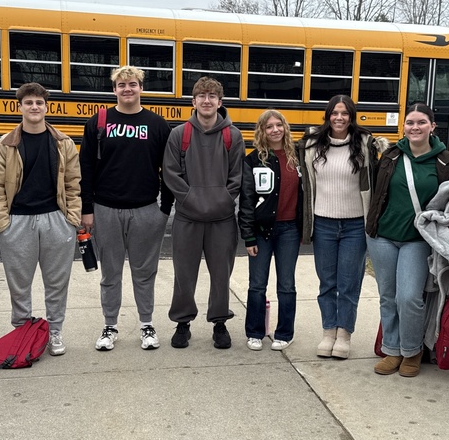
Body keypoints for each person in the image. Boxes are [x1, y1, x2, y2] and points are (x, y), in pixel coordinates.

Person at [366, 103, 449, 378]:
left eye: (421, 122)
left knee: (409, 297)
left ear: (432, 126)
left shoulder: (446, 161)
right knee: (388, 296)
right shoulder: (391, 156)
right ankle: (392, 349)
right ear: (404, 126)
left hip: (418, 240)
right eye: (410, 122)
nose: (415, 127)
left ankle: (412, 351)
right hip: (383, 237)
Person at [80, 66, 173, 351]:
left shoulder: (157, 124)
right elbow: (86, 167)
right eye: (121, 85)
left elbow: (169, 168)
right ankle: (110, 325)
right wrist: (87, 208)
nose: (127, 89)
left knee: (144, 272)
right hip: (105, 208)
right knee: (110, 273)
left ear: (141, 88)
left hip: (146, 209)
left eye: (132, 84)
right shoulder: (98, 122)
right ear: (114, 90)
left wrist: (164, 208)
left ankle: (147, 324)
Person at [0, 82, 81, 357]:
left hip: (56, 219)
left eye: (39, 102)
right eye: (29, 102)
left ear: (46, 107)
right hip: (17, 221)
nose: (34, 107)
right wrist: (2, 224)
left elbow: (73, 183)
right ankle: (22, 330)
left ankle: (55, 330)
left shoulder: (63, 143)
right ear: (20, 107)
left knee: (57, 283)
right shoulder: (6, 144)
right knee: (19, 284)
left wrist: (71, 219)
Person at [299, 94, 387, 359]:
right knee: (327, 283)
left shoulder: (365, 144)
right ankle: (328, 332)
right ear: (328, 115)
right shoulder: (312, 144)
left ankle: (344, 334)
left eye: (344, 113)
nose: (339, 118)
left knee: (348, 283)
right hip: (323, 223)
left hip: (354, 225)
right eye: (334, 113)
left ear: (351, 117)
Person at [163, 76, 244, 349]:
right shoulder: (179, 134)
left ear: (220, 102)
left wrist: (221, 200)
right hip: (188, 218)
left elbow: (237, 177)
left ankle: (219, 322)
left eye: (212, 96)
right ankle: (182, 323)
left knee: (221, 275)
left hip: (222, 219)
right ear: (193, 101)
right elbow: (171, 174)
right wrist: (190, 199)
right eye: (202, 96)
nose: (206, 101)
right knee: (184, 275)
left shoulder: (232, 135)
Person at [239, 109, 303, 351]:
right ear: (262, 132)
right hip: (261, 230)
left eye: (279, 125)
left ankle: (285, 333)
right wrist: (248, 236)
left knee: (286, 284)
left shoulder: (298, 157)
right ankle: (254, 332)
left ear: (285, 127)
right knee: (257, 284)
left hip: (289, 230)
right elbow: (246, 200)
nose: (275, 130)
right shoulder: (253, 160)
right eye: (269, 126)